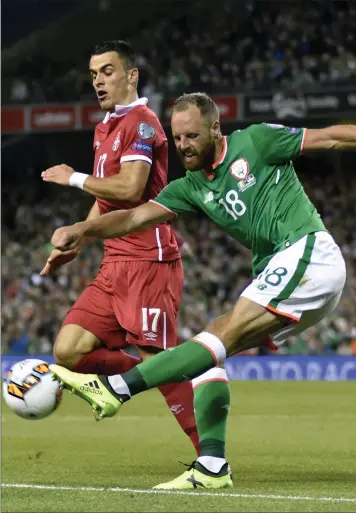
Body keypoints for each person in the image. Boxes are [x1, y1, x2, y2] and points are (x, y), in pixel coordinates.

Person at [49, 92, 355, 481]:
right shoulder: (191, 187)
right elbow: (131, 219)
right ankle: (212, 465)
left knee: (218, 333)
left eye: (191, 136)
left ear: (215, 128)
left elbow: (329, 138)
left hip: (307, 252)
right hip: (287, 270)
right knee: (210, 355)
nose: (183, 146)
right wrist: (84, 230)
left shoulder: (256, 140)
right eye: (177, 139)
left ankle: (116, 389)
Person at [40, 48, 233, 490]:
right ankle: (168, 371)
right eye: (92, 74)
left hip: (149, 258)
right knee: (69, 351)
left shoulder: (142, 122)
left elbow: (129, 190)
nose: (98, 81)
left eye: (107, 72)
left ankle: (211, 462)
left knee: (154, 359)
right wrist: (81, 239)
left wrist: (73, 176)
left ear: (131, 75)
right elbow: (105, 201)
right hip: (114, 260)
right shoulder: (105, 127)